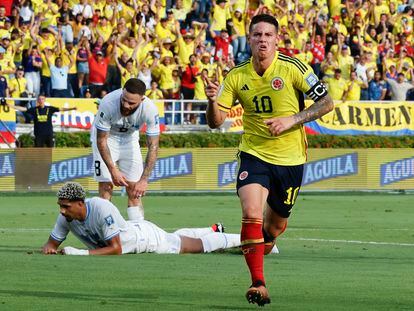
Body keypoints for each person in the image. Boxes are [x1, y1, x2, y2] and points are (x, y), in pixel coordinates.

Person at [204, 14, 334, 306]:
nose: (262, 39)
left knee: (274, 227)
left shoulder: (292, 68)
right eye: (256, 35)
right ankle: (258, 283)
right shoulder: (236, 75)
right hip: (254, 154)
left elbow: (327, 103)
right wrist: (213, 101)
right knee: (251, 212)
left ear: (277, 39)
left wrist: (293, 119)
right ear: (249, 39)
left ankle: (262, 244)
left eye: (267, 35)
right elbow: (216, 122)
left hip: (290, 159)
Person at [42, 182, 241, 256]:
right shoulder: (66, 218)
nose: (62, 210)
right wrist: (49, 250)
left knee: (197, 246)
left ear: (80, 203)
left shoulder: (101, 207)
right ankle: (214, 228)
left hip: (147, 240)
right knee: (175, 236)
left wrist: (78, 253)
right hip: (135, 228)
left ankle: (245, 238)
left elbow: (116, 249)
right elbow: (50, 245)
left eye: (66, 206)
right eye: (60, 205)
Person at [91, 78, 159, 224]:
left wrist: (144, 179)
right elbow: (101, 141)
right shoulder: (108, 103)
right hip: (107, 138)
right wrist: (113, 170)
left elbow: (153, 146)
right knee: (106, 185)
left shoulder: (150, 109)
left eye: (132, 103)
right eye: (124, 100)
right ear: (122, 92)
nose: (126, 105)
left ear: (142, 99)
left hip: (130, 138)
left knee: (135, 189)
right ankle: (105, 231)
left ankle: (139, 231)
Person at [7, 94, 76, 147]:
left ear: (45, 100)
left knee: (50, 152)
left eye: (42, 99)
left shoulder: (50, 109)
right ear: (37, 101)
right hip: (39, 135)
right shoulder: (34, 109)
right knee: (38, 152)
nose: (41, 101)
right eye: (39, 99)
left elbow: (61, 109)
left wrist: (72, 108)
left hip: (49, 134)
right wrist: (10, 106)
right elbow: (23, 109)